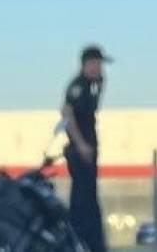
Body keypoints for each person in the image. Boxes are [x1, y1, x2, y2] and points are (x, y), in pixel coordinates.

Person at [61, 44, 111, 252]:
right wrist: (81, 145)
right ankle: (81, 242)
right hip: (80, 151)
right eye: (97, 64)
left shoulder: (91, 86)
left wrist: (100, 81)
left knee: (89, 198)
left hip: (89, 150)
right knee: (82, 201)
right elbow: (67, 113)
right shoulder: (78, 86)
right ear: (87, 64)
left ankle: (93, 244)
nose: (100, 68)